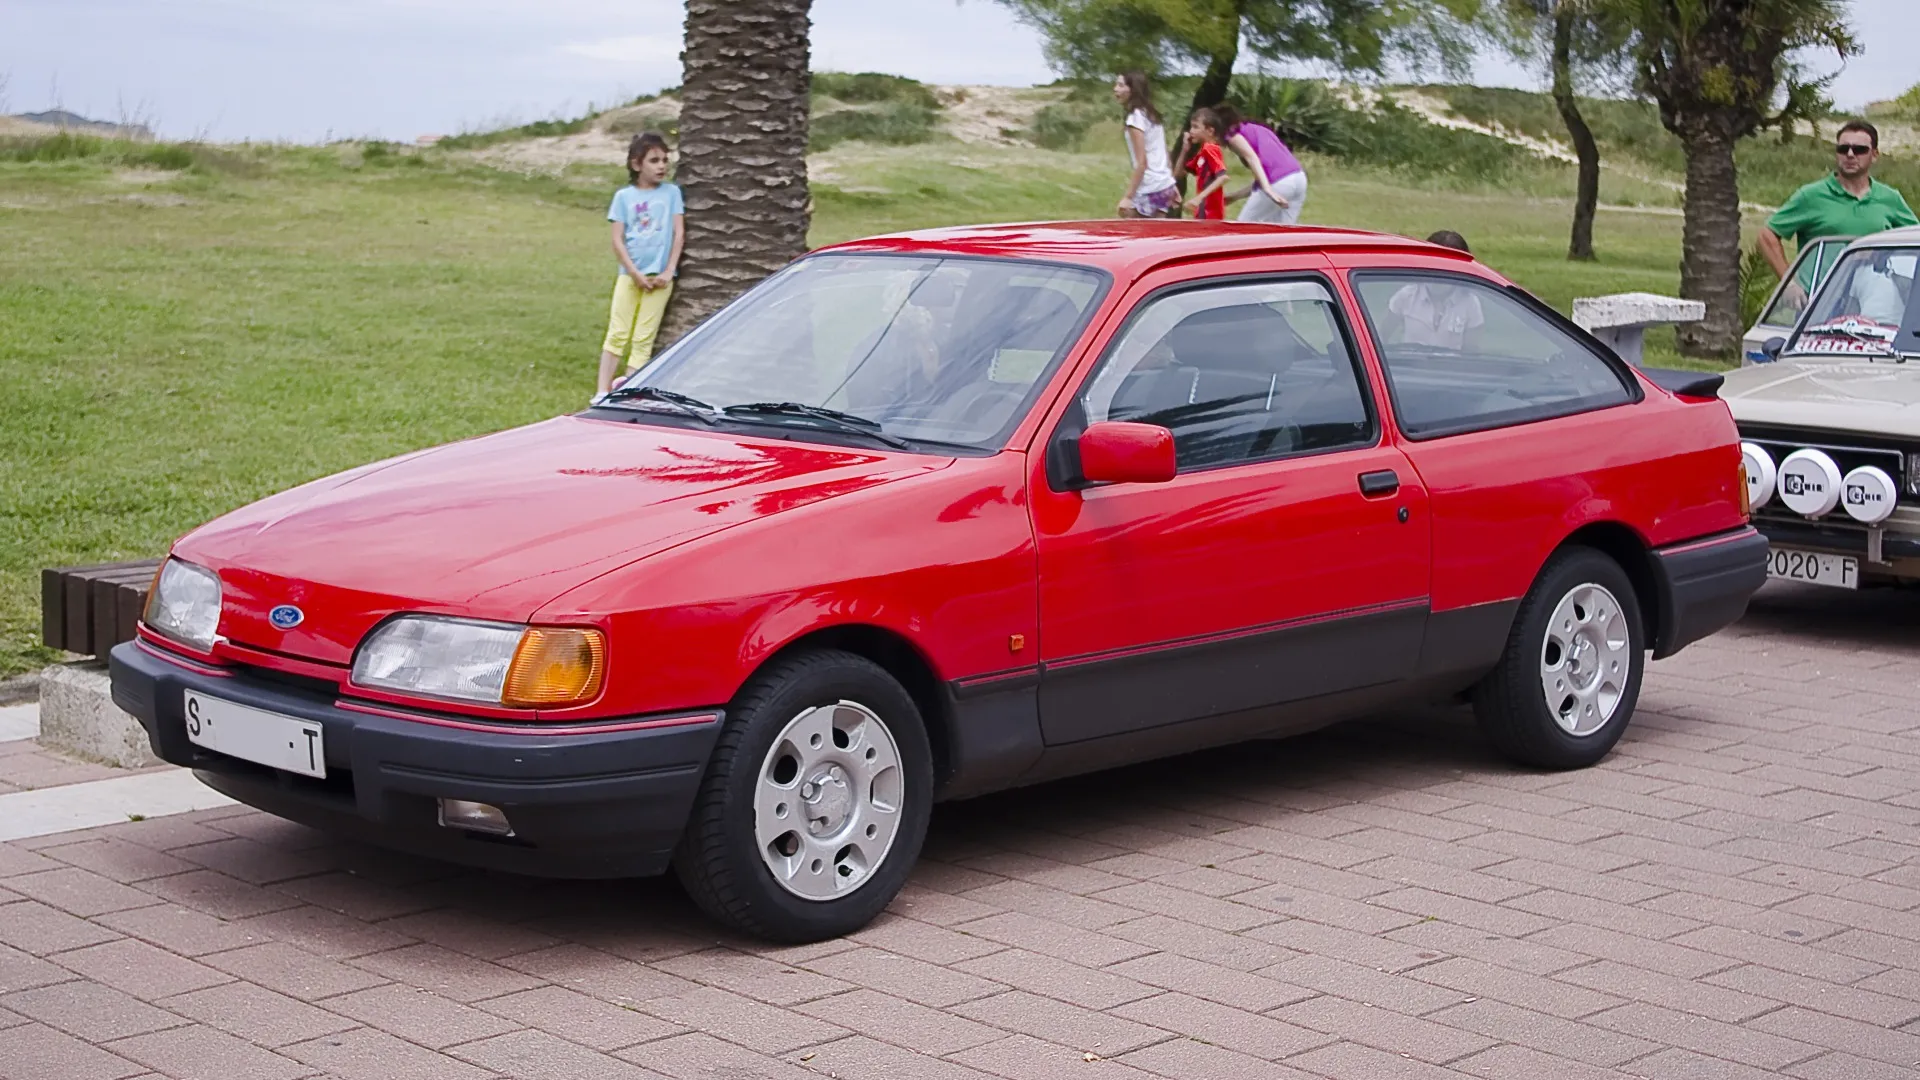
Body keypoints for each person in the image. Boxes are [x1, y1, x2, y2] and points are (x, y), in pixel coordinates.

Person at [1758, 120, 1917, 305]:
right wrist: (1789, 284)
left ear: (1874, 155)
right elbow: (1766, 235)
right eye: (1843, 149)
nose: (1850, 154)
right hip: (1819, 304)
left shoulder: (1890, 198)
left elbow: (1914, 239)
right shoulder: (1811, 196)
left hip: (1873, 305)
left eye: (1859, 149)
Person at [595, 132, 686, 401]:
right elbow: (617, 239)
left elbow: (678, 234)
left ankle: (626, 392)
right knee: (617, 333)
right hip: (629, 277)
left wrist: (668, 271)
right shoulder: (624, 197)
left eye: (664, 160)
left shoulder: (672, 193)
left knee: (643, 338)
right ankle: (601, 391)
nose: (661, 166)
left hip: (660, 280)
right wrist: (634, 273)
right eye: (654, 160)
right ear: (637, 165)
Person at [1211, 104, 1307, 225]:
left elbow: (1252, 158)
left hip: (1279, 182)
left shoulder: (1232, 135)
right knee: (1282, 234)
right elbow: (1265, 180)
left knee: (1242, 228)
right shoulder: (1256, 129)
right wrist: (1234, 196)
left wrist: (1268, 190)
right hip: (1299, 178)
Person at [1386, 231, 1484, 350]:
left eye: (1448, 268)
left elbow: (1472, 352)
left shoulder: (1470, 303)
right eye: (1436, 266)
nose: (1440, 274)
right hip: (1410, 366)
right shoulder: (1406, 296)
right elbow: (1381, 338)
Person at [1112, 72, 1179, 219]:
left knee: (1131, 230)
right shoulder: (1151, 115)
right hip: (1163, 185)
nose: (1115, 89)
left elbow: (1142, 162)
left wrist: (1128, 197)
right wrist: (1171, 183)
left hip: (1149, 186)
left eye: (1121, 85)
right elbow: (1164, 153)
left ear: (1133, 90)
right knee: (1155, 236)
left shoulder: (1135, 118)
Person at [1179, 108, 1230, 220]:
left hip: (1211, 214)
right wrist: (1184, 149)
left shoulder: (1210, 148)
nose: (1191, 131)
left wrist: (1198, 198)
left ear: (1210, 131)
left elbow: (1223, 177)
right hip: (1202, 212)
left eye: (1196, 127)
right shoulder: (1202, 153)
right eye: (1191, 127)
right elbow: (1179, 173)